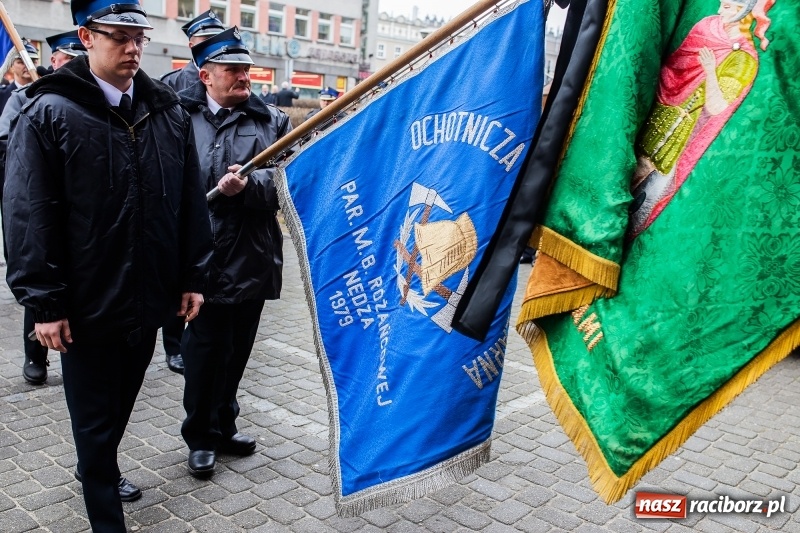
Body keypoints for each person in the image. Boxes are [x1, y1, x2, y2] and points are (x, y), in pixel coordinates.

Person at [2, 0, 212, 530]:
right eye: (119, 36)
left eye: (138, 36)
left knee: (119, 406)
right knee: (94, 419)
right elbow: (28, 212)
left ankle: (98, 465)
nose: (132, 47)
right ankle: (104, 510)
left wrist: (192, 275)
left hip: (149, 294)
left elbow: (188, 199)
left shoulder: (165, 111)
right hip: (85, 301)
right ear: (86, 37)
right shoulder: (48, 111)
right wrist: (44, 302)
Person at [177, 27, 291, 479]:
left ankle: (225, 426)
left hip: (250, 257)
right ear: (206, 76)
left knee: (237, 352)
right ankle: (201, 437)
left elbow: (290, 183)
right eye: (233, 70)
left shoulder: (272, 121)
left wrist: (249, 186)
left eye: (246, 69)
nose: (244, 76)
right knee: (204, 354)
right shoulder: (179, 116)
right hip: (199, 259)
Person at [629, 0, 772, 237]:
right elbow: (674, 67)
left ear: (744, 10)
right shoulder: (708, 25)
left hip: (681, 136)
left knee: (647, 195)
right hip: (658, 115)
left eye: (727, 7)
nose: (719, 10)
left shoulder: (743, 58)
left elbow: (716, 107)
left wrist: (709, 70)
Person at [0, 30, 86, 385]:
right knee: (42, 275)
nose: (75, 65)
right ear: (55, 61)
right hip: (38, 202)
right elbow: (6, 145)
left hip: (78, 210)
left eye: (79, 59)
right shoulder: (26, 98)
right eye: (68, 59)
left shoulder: (89, 99)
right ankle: (35, 355)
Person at [159, 12, 225, 374]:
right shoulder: (172, 83)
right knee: (177, 271)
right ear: (191, 44)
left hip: (217, 192)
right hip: (180, 186)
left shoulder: (228, 78)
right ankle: (174, 345)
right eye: (203, 40)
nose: (210, 45)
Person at [160, 9, 225, 94]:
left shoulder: (232, 78)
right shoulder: (171, 82)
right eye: (207, 40)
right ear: (192, 46)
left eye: (218, 40)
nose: (214, 45)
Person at [0, 41, 39, 113]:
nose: (28, 65)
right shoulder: (2, 95)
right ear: (11, 66)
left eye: (33, 62)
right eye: (21, 62)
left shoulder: (42, 93)